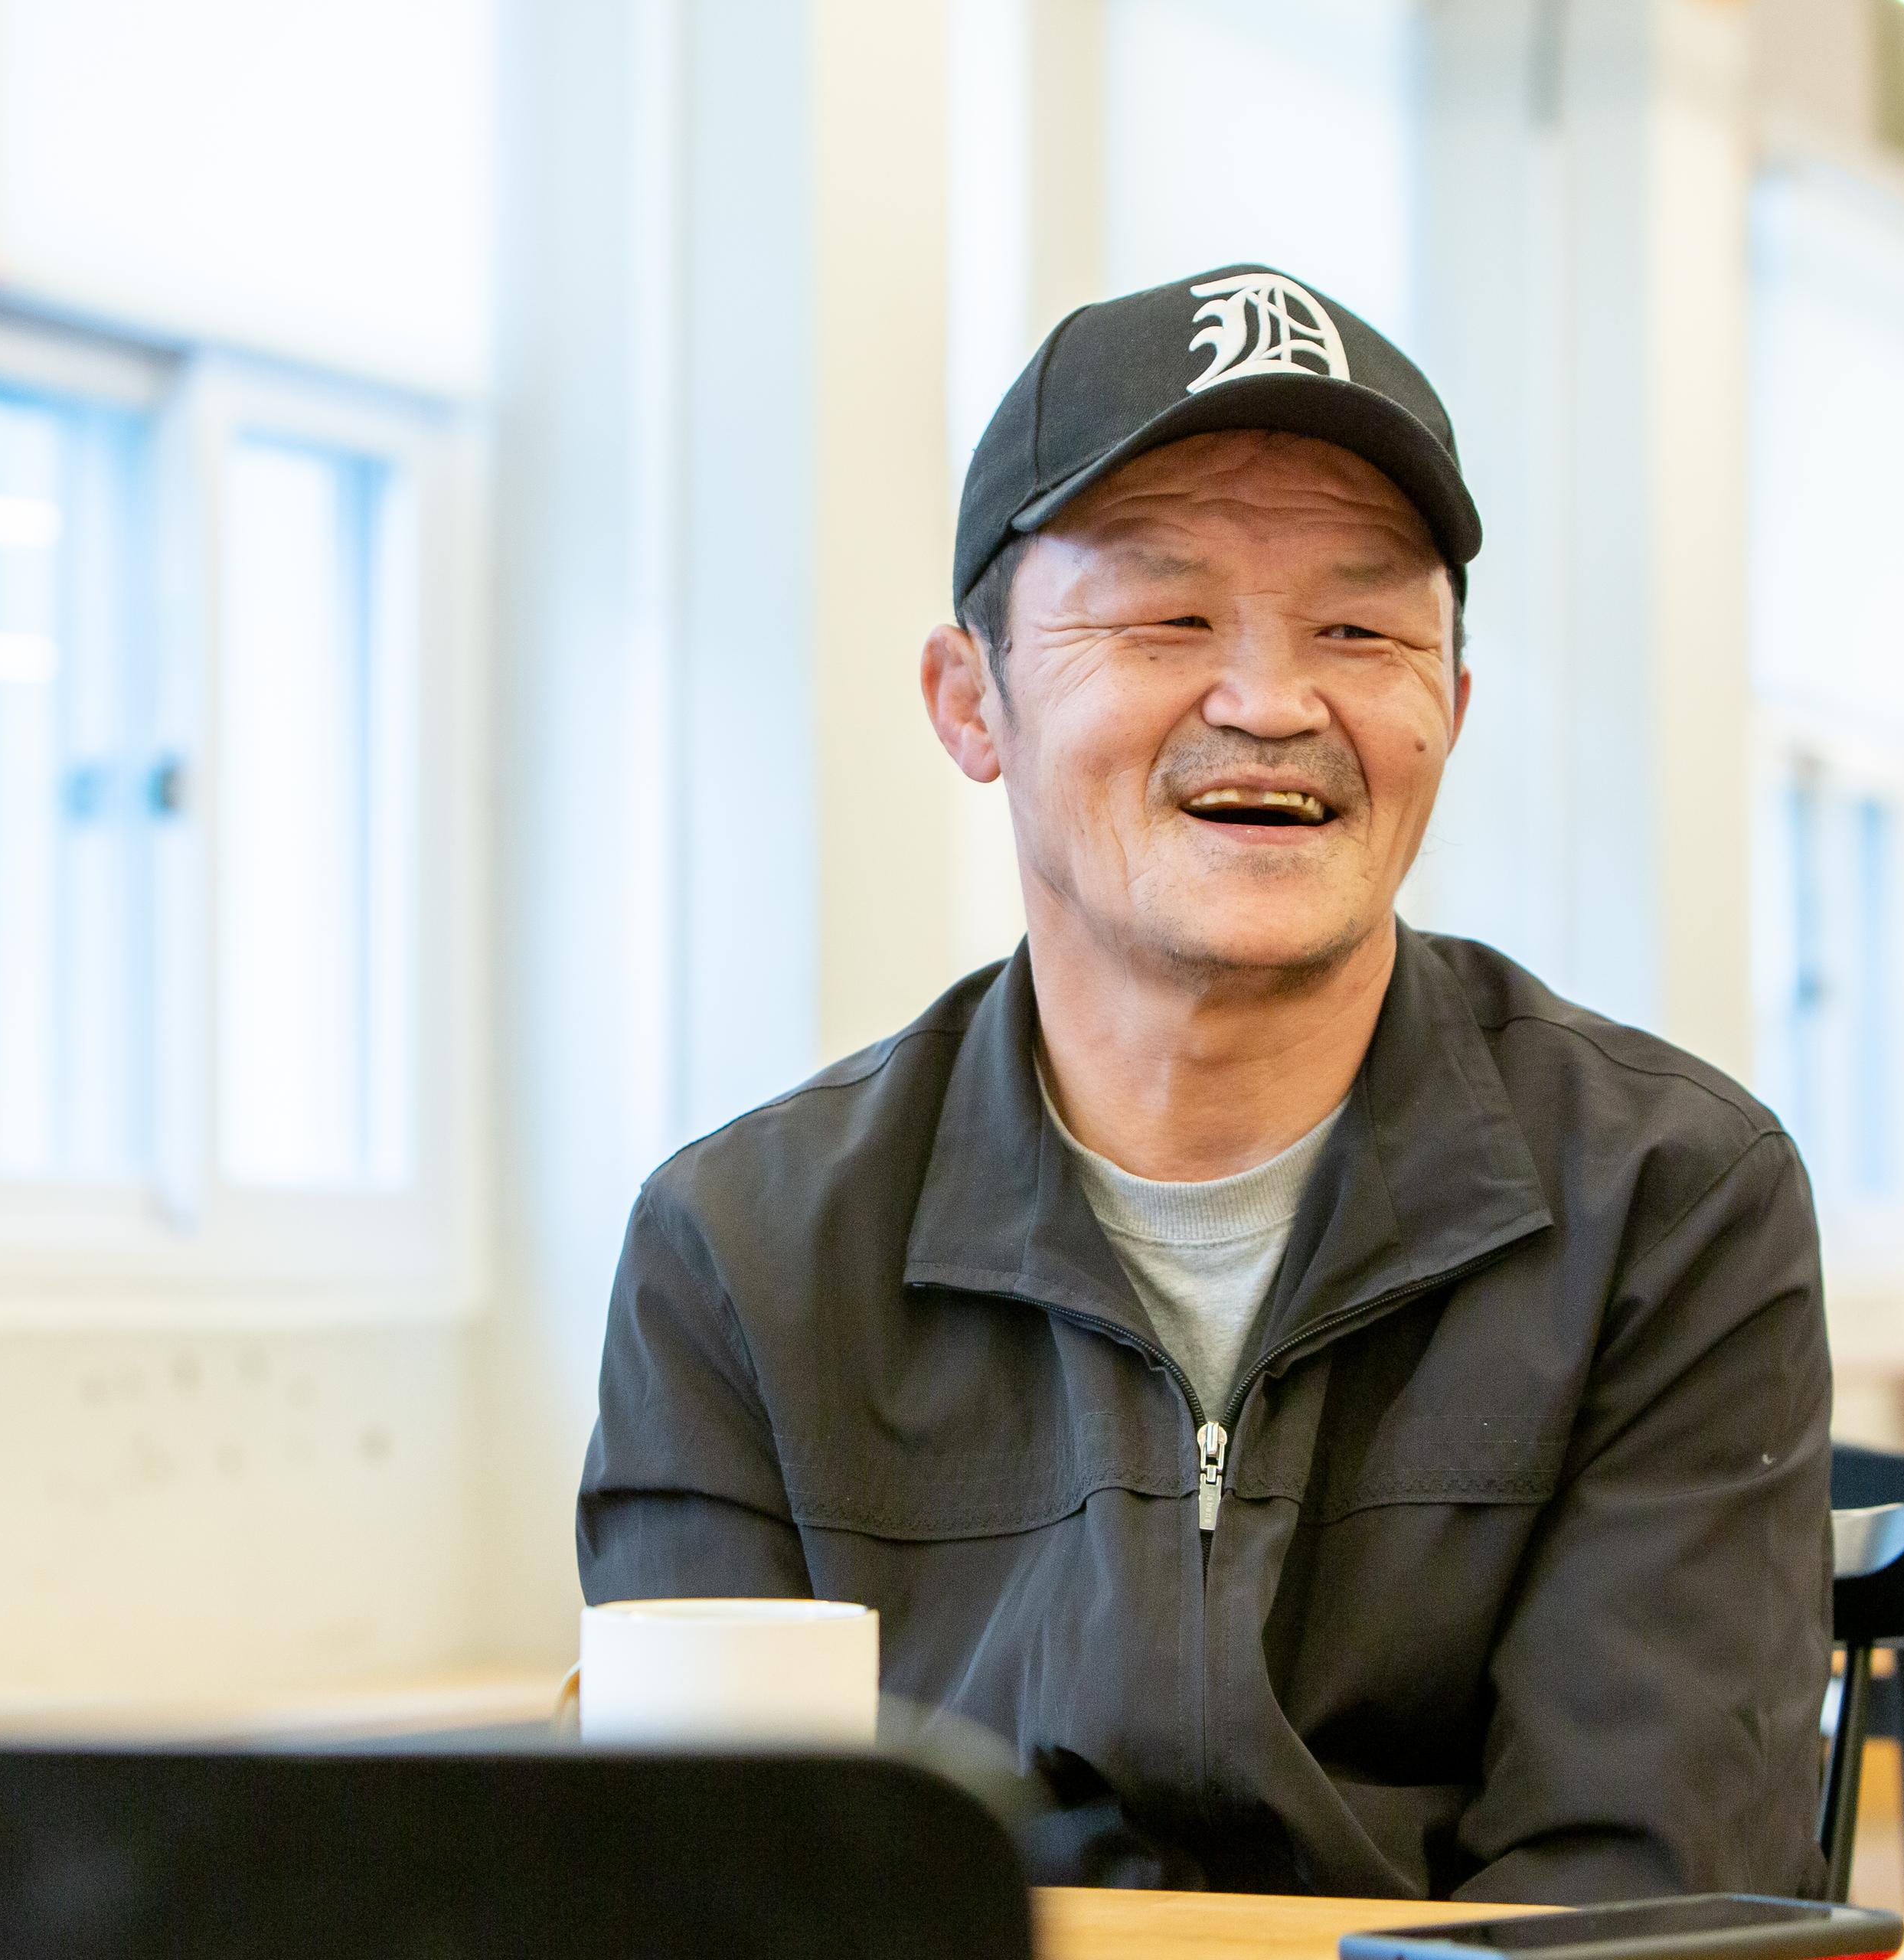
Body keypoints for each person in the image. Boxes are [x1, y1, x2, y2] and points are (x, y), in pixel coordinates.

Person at [576, 265, 1832, 1902]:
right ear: (974, 701)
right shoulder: (740, 1249)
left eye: (1361, 627)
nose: (1269, 701)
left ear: (1447, 709)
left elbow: (1642, 1895)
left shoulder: (1667, 1200)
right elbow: (712, 1895)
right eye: (1167, 617)